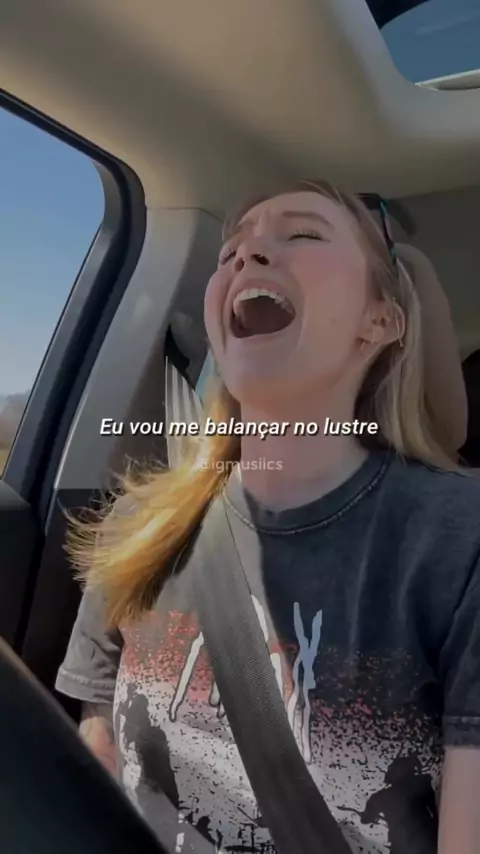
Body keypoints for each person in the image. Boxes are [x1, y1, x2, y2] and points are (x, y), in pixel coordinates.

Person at [55, 179, 480, 854]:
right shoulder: (139, 525)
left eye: (303, 233)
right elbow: (97, 759)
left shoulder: (460, 540)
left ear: (381, 321)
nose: (246, 255)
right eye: (229, 253)